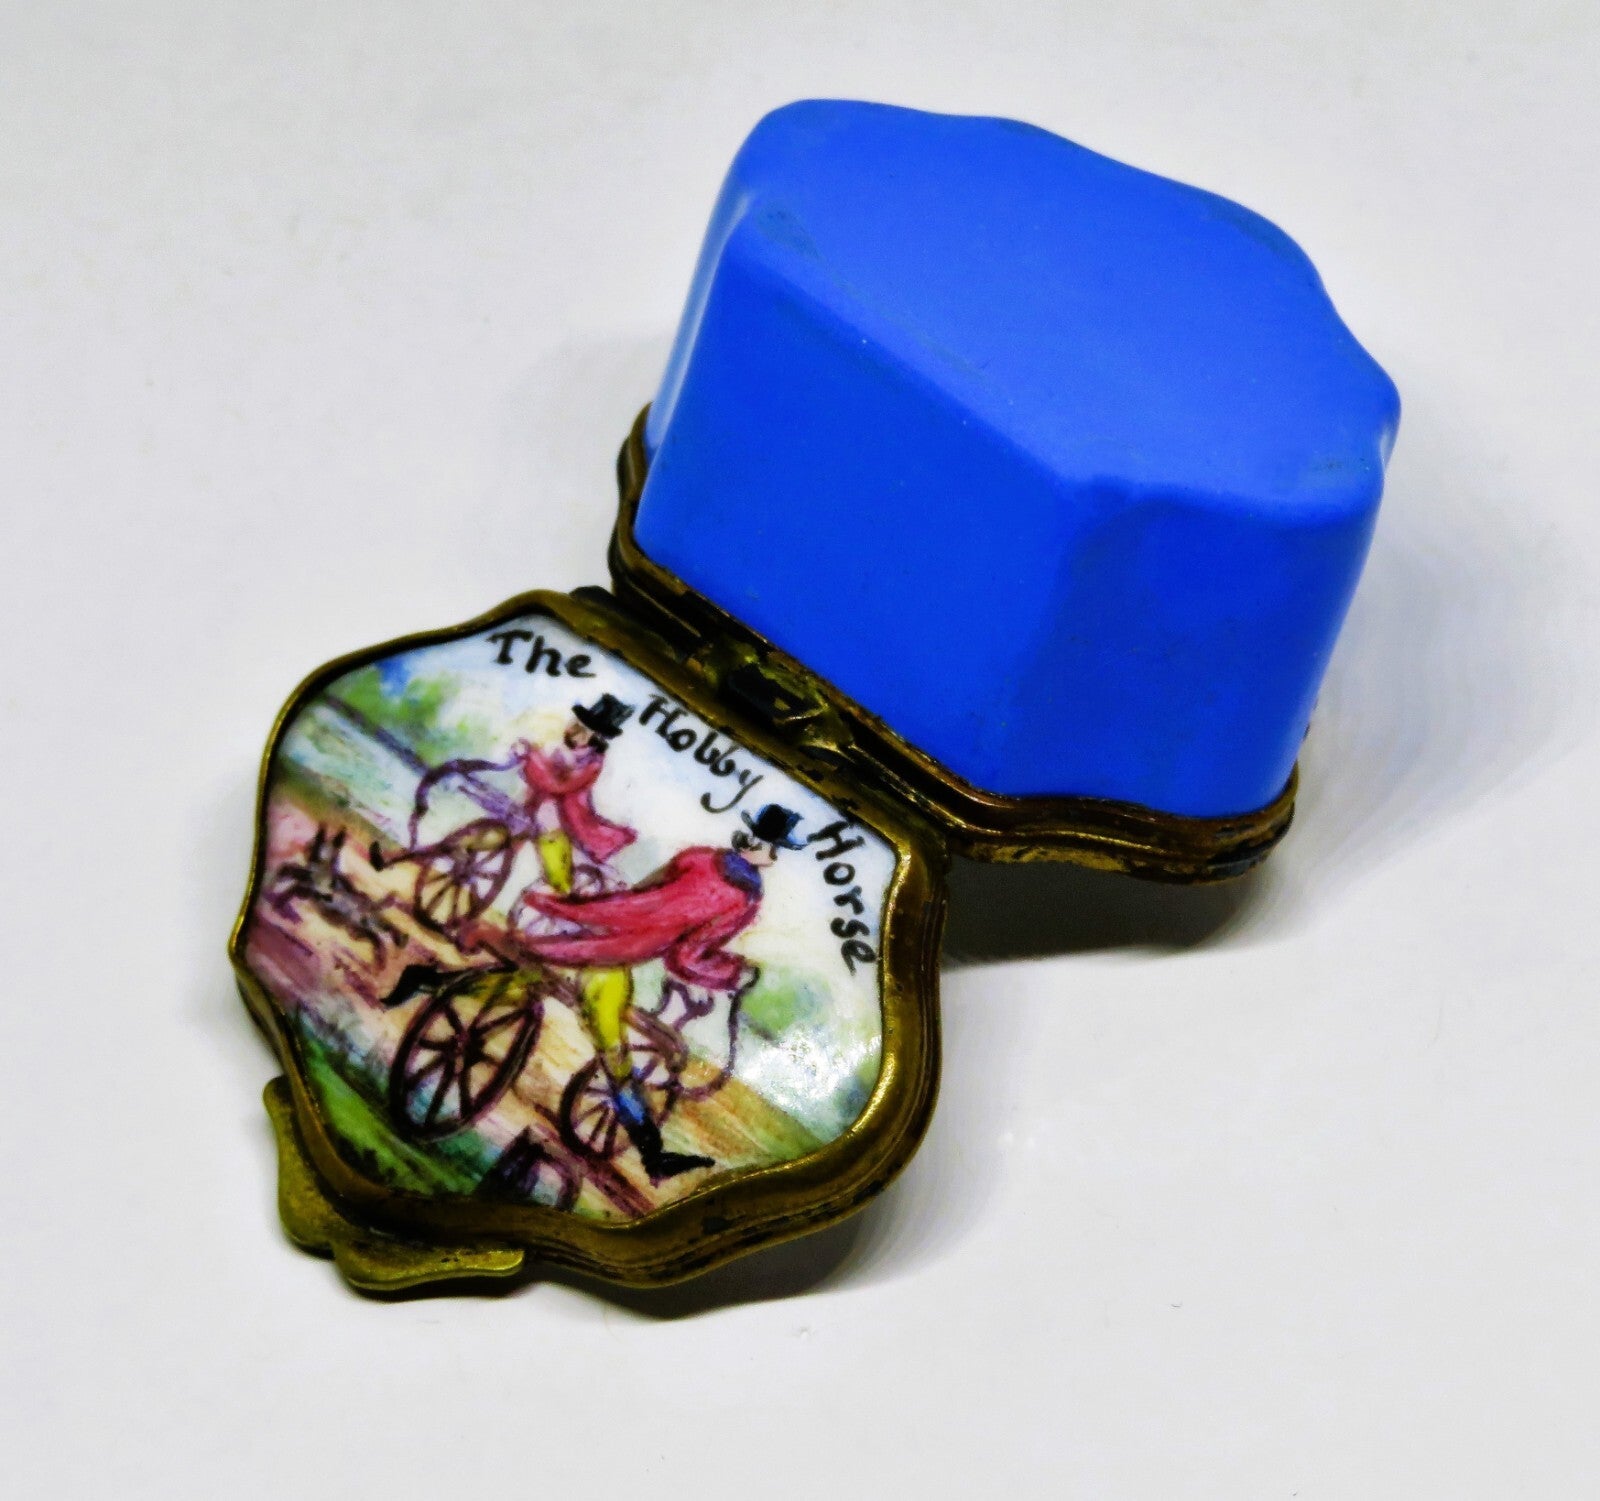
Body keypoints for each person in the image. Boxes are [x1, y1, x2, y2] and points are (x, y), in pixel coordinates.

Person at [517, 803, 807, 1182]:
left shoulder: (698, 856)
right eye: (776, 850)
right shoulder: (743, 902)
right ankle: (652, 1154)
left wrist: (629, 913)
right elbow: (685, 958)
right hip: (613, 959)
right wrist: (735, 973)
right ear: (770, 854)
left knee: (539, 961)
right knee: (615, 1059)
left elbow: (644, 890)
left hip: (602, 916)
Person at [513, 693, 636, 896]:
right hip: (536, 803)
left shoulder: (592, 763)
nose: (572, 731)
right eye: (574, 724)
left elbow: (558, 784)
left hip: (565, 817)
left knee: (549, 834)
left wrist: (532, 756)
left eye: (582, 730)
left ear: (596, 739)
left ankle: (559, 887)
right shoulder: (560, 749)